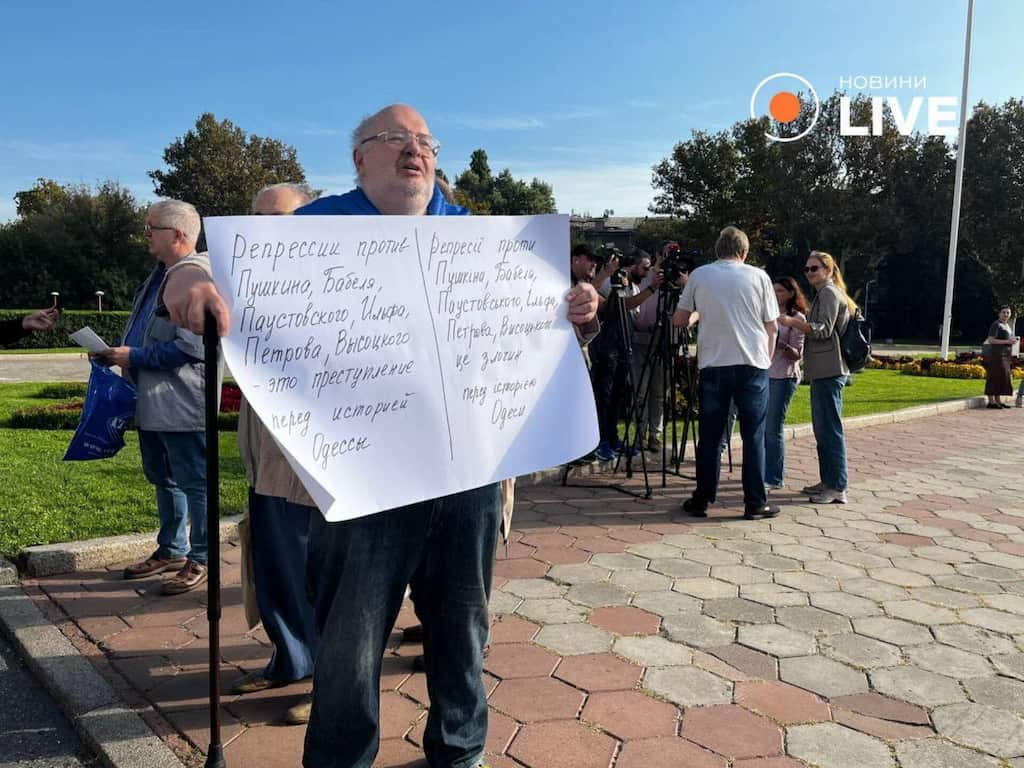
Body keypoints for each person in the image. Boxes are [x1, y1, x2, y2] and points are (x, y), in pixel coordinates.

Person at [159, 104, 599, 768]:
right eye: (395, 140)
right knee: (348, 646)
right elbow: (217, 273)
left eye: (426, 142)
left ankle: (460, 753)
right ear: (359, 157)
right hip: (364, 488)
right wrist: (188, 276)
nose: (415, 151)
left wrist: (578, 314)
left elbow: (539, 338)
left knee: (460, 634)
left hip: (467, 480)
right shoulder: (315, 227)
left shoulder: (484, 240)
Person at [229, 182, 320, 725]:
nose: (263, 227)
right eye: (257, 216)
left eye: (277, 217)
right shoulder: (251, 279)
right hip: (266, 457)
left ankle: (330, 681)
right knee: (275, 568)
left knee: (322, 577)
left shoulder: (336, 278)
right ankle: (290, 659)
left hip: (317, 463)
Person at [102, 200, 213, 594]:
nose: (145, 234)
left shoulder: (197, 276)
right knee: (163, 478)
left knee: (195, 483)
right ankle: (172, 549)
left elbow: (195, 349)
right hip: (152, 401)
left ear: (178, 234)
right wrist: (116, 351)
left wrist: (133, 356)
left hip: (183, 403)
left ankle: (202, 558)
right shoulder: (159, 275)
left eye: (152, 228)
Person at [674, 226, 779, 521]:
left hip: (715, 364)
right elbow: (771, 325)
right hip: (752, 364)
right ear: (744, 252)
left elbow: (680, 319)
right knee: (753, 436)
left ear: (717, 249)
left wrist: (699, 312)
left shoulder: (699, 275)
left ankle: (703, 498)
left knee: (710, 437)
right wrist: (766, 359)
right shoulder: (759, 276)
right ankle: (755, 502)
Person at [778, 250, 854, 504]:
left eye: (815, 269)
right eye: (807, 269)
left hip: (830, 369)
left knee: (830, 429)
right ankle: (829, 481)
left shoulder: (830, 293)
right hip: (824, 369)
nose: (810, 273)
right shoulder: (825, 293)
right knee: (823, 429)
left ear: (828, 270)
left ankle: (837, 487)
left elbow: (822, 330)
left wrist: (791, 322)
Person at [765, 277, 807, 489]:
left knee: (773, 428)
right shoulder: (767, 313)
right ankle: (762, 471)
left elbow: (797, 354)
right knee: (762, 427)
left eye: (780, 291)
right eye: (773, 290)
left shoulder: (795, 318)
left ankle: (773, 478)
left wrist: (779, 343)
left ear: (791, 293)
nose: (775, 294)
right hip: (764, 374)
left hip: (784, 376)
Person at [984, 307, 1016, 409]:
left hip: (1005, 355)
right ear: (999, 314)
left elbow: (1006, 338)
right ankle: (991, 401)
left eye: (1008, 313)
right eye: (1004, 312)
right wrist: (1007, 342)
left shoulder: (1007, 325)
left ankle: (998, 401)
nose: (1006, 314)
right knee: (994, 376)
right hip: (996, 355)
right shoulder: (996, 325)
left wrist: (1012, 340)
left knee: (1001, 376)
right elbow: (991, 340)